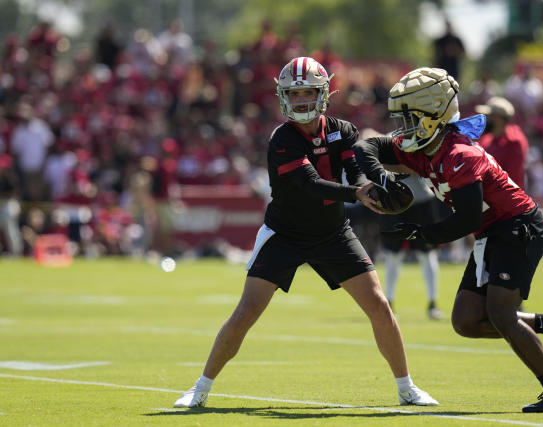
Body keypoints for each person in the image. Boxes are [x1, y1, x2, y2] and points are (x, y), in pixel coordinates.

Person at [173, 57, 438, 408]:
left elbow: (353, 170)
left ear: (324, 93)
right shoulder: (282, 138)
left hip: (332, 231)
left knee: (378, 303)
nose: (300, 101)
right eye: (293, 94)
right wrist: (357, 194)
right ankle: (201, 387)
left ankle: (407, 388)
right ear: (283, 96)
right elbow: (310, 184)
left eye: (307, 92)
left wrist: (369, 189)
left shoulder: (343, 129)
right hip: (285, 234)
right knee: (247, 310)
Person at [354, 67, 543, 413]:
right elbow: (366, 146)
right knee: (466, 320)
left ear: (432, 116)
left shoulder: (460, 154)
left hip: (517, 226)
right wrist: (381, 177)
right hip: (494, 231)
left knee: (501, 314)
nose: (403, 128)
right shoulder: (424, 147)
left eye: (410, 118)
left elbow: (468, 218)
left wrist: (423, 232)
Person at [380, 174, 444, 319]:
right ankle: (388, 303)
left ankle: (432, 303)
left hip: (422, 201)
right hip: (393, 201)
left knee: (427, 254)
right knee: (393, 255)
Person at [475, 96, 529, 189]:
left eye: (488, 116)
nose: (485, 120)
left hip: (507, 198)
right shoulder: (486, 140)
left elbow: (512, 178)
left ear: (499, 119)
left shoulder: (514, 142)